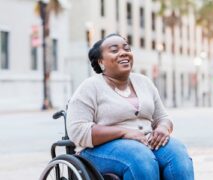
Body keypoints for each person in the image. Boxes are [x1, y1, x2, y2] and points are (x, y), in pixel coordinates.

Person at [67, 33, 194, 180]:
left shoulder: (144, 82)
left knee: (177, 153)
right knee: (140, 159)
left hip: (145, 142)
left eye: (127, 49)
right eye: (114, 50)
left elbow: (162, 118)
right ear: (101, 61)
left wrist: (162, 128)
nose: (123, 53)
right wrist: (124, 132)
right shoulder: (90, 87)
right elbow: (78, 131)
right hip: (99, 149)